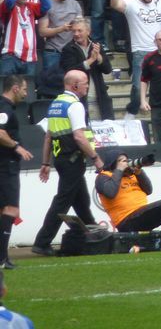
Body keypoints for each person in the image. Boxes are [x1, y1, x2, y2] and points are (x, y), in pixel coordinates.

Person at [32, 70, 104, 256]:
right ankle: (42, 242)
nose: (87, 86)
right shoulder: (74, 105)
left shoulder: (56, 104)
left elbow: (48, 136)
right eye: (85, 83)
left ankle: (94, 233)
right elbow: (79, 137)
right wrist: (95, 158)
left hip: (62, 159)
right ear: (75, 86)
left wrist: (45, 163)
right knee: (62, 202)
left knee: (81, 201)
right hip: (73, 159)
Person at [96, 150, 161, 251]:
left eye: (126, 160)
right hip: (126, 220)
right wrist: (119, 170)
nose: (126, 163)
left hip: (142, 215)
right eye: (121, 161)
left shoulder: (132, 175)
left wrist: (139, 172)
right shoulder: (103, 176)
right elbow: (110, 192)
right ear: (113, 163)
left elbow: (149, 190)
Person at [0, 77, 33, 269]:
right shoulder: (5, 108)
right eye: (24, 89)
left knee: (3, 210)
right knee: (11, 209)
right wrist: (17, 147)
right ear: (14, 89)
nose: (26, 93)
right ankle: (2, 258)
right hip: (6, 164)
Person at [59, 18, 114, 122]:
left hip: (99, 97)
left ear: (88, 31)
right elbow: (70, 72)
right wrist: (90, 60)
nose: (76, 34)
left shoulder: (96, 45)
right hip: (79, 99)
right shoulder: (68, 49)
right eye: (74, 31)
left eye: (80, 30)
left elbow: (107, 70)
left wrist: (99, 58)